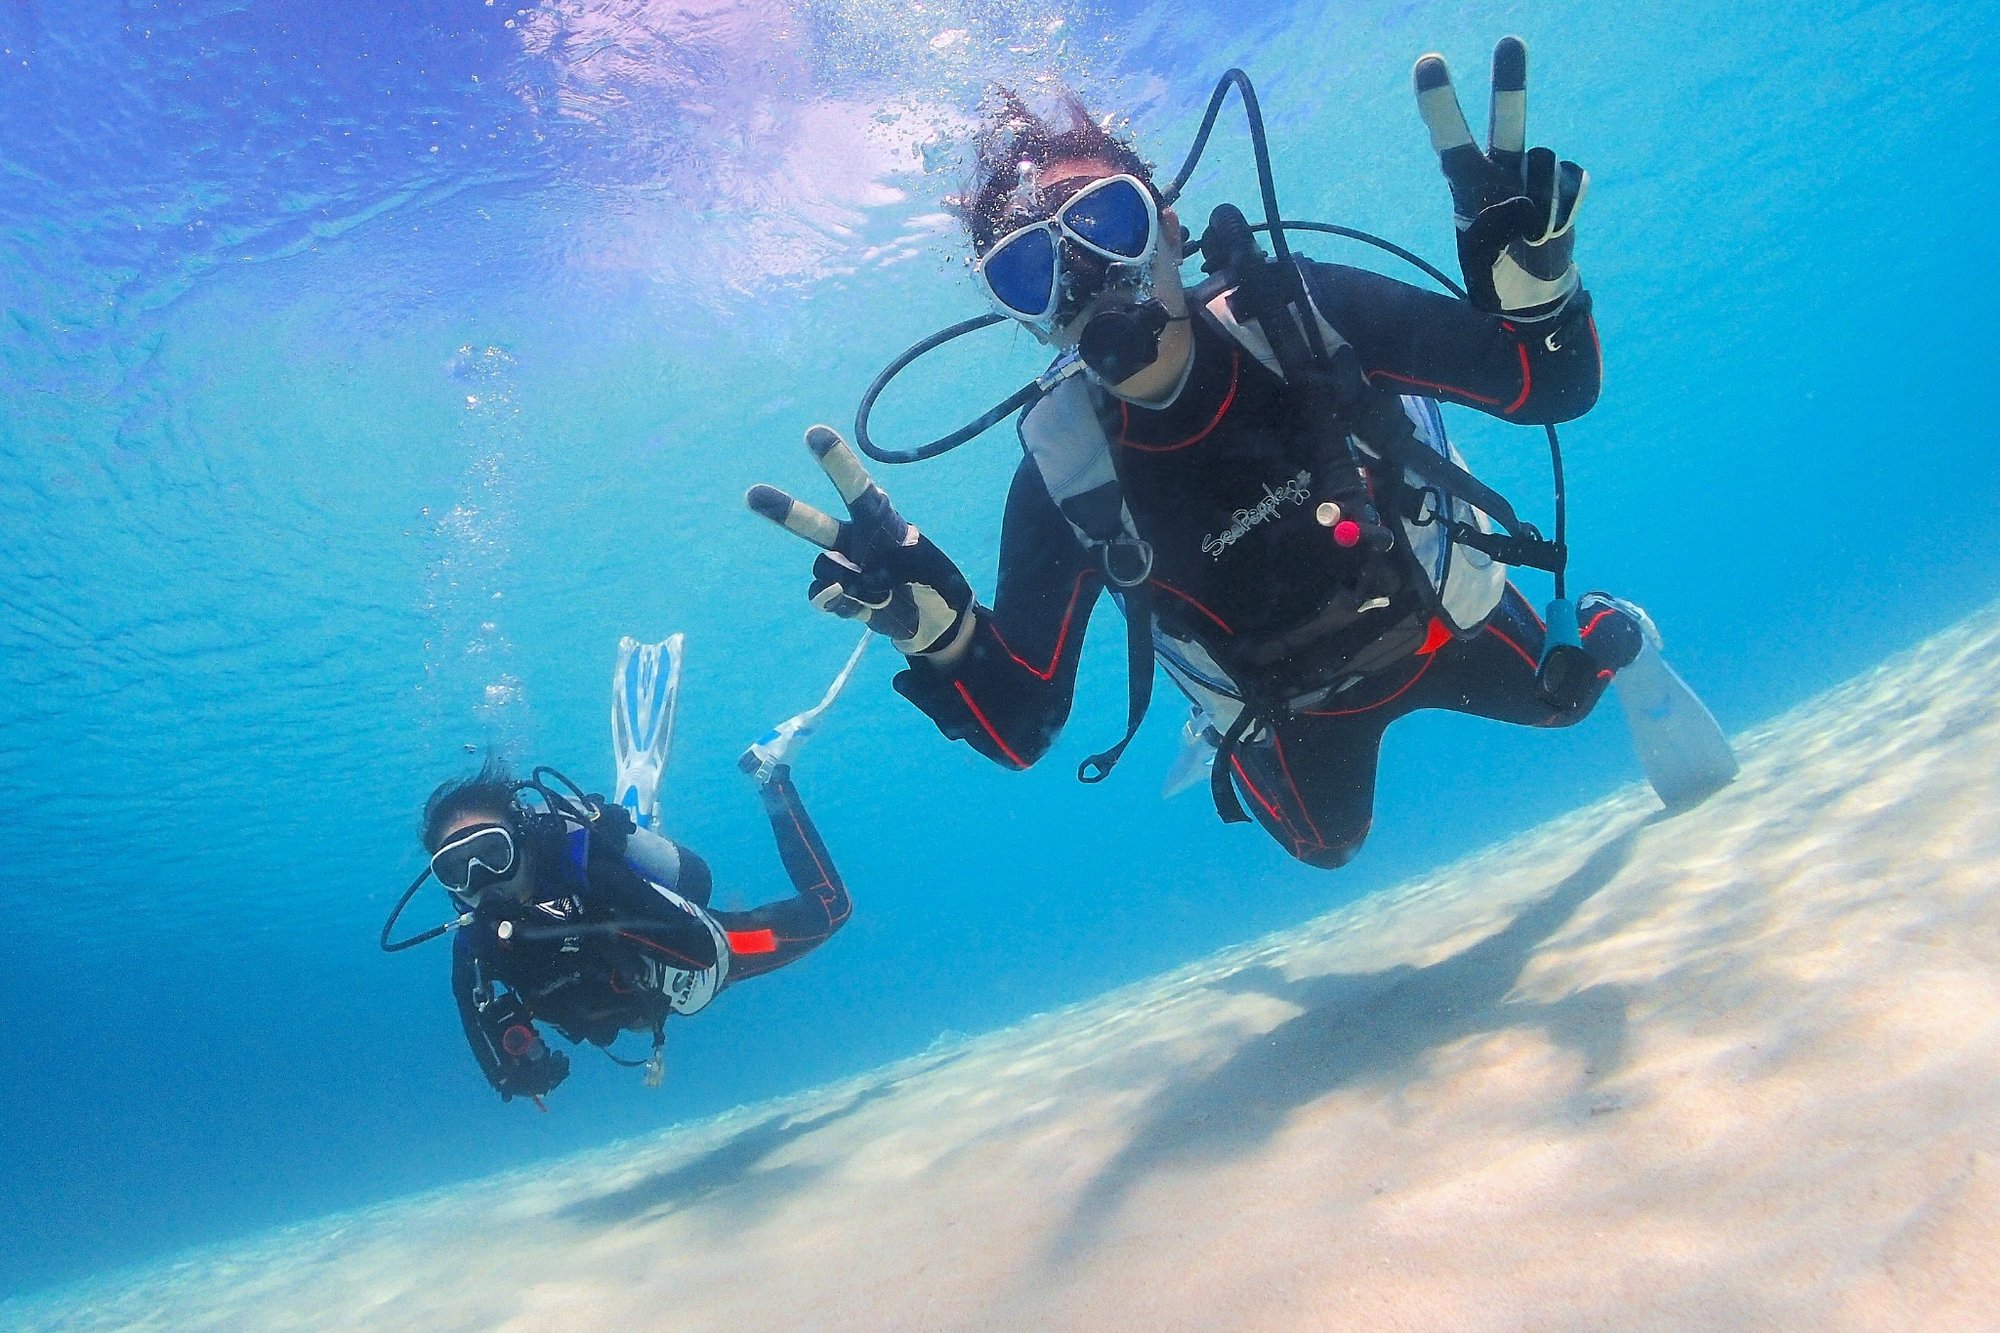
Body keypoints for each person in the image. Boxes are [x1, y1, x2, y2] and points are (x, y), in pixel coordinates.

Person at [749, 40, 1725, 870]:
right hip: (1285, 707)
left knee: (1561, 707)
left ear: (1170, 230)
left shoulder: (1304, 315)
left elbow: (1543, 387)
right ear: (1029, 325)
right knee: (1325, 846)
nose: (1086, 277)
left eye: (1106, 224)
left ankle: (1605, 626)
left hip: (1440, 624)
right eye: (1029, 271)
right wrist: (942, 636)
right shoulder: (1062, 474)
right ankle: (1212, 723)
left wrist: (1538, 299)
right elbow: (1018, 727)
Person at [408, 743, 849, 1106]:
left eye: (492, 851)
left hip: (720, 952)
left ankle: (773, 781)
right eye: (458, 869)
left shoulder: (591, 877)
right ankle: (640, 815)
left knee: (830, 909)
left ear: (520, 842)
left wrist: (575, 925)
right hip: (638, 1006)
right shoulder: (476, 942)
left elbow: (698, 949)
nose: (482, 879)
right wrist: (516, 1076)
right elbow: (475, 1019)